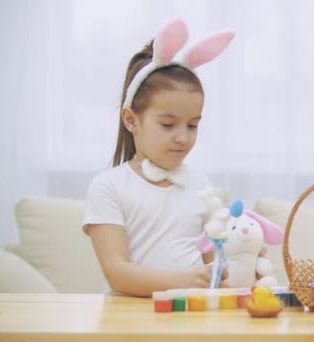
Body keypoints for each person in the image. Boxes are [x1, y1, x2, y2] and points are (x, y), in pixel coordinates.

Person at [83, 19, 235, 297]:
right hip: (131, 322)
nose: (183, 137)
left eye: (192, 125)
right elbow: (117, 273)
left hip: (192, 316)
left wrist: (236, 268)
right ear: (131, 120)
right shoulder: (109, 187)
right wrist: (186, 281)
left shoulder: (201, 185)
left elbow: (213, 266)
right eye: (168, 124)